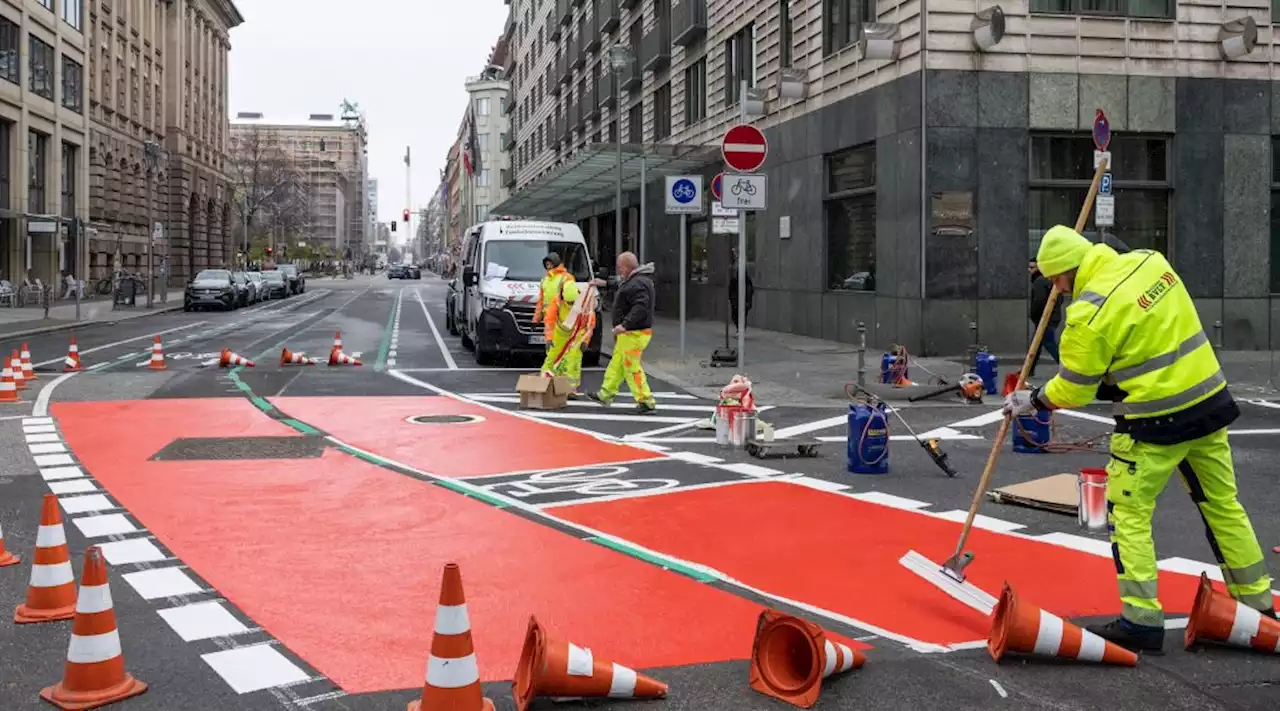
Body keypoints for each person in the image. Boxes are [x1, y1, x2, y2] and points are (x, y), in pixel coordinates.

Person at [1004, 225, 1275, 654]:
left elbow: (1074, 389)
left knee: (1129, 513)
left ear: (1069, 272)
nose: (1057, 288)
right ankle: (1259, 605)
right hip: (1208, 403)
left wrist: (1032, 399)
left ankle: (1142, 618)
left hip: (1154, 423)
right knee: (1222, 505)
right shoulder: (1153, 262)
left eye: (1056, 280)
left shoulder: (1087, 317)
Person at [587, 251, 657, 413]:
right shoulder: (638, 280)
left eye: (620, 268)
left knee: (631, 366)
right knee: (617, 363)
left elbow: (640, 307)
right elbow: (623, 286)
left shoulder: (637, 283)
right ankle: (606, 393)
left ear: (626, 267)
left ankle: (646, 400)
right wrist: (604, 283)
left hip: (633, 333)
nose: (619, 271)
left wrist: (624, 325)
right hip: (633, 332)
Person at [533, 252, 584, 394]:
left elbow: (570, 298)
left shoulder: (565, 278)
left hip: (562, 319)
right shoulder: (545, 281)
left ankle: (564, 386)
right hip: (553, 319)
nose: (548, 266)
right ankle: (558, 385)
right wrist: (536, 318)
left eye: (550, 263)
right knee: (557, 353)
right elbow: (541, 301)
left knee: (562, 354)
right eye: (546, 263)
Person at [1027, 260, 1062, 378]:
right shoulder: (1049, 280)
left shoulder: (1039, 281)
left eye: (1032, 267)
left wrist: (1034, 314)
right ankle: (1029, 370)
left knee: (1048, 343)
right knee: (1037, 344)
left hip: (1045, 319)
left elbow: (1039, 301)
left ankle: (1066, 366)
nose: (1029, 270)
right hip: (1049, 317)